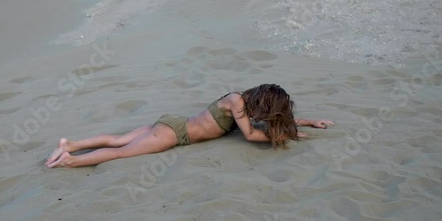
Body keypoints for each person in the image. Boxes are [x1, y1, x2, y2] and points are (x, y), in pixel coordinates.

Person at [45, 84, 334, 168]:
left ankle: (69, 144)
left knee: (121, 140)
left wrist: (309, 121)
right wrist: (285, 135)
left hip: (173, 123)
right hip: (175, 133)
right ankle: (70, 160)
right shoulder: (237, 103)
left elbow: (270, 122)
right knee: (122, 152)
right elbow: (249, 135)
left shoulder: (244, 104)